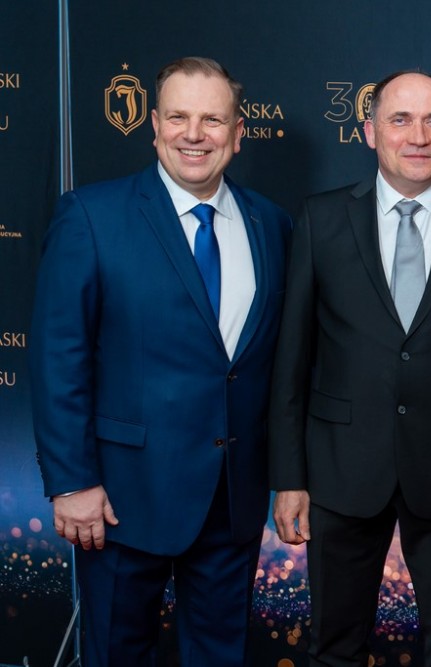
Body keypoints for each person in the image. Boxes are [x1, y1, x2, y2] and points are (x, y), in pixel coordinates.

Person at [267, 70, 431, 667]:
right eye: (401, 120)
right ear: (370, 132)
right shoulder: (321, 219)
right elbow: (292, 360)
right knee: (334, 648)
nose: (418, 136)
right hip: (340, 471)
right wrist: (289, 477)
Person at [30, 57, 291, 665]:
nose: (194, 134)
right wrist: (72, 481)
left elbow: (271, 365)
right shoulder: (91, 216)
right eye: (178, 117)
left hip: (232, 500)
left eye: (212, 120)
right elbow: (58, 357)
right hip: (120, 498)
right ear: (154, 126)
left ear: (238, 132)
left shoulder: (271, 224)